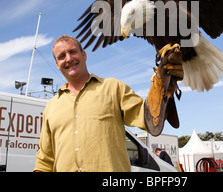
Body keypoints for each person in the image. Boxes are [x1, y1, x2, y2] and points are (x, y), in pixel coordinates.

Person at [34, 35, 148, 172]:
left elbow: (149, 117)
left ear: (84, 55)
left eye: (73, 52)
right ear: (57, 65)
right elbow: (45, 160)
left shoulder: (114, 88)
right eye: (61, 56)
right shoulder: (51, 106)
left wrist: (165, 83)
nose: (68, 58)